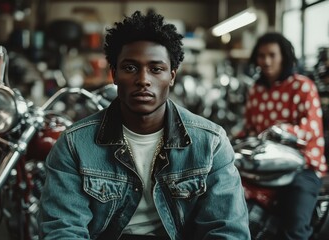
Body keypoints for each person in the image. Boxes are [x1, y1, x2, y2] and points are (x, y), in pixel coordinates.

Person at [39, 10, 250, 240]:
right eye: (130, 68)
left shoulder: (211, 143)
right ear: (114, 75)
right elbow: (63, 231)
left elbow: (227, 231)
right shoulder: (74, 144)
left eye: (156, 69)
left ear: (172, 75)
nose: (143, 80)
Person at [243, 32, 327, 239]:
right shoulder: (256, 90)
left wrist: (281, 132)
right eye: (261, 56)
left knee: (295, 228)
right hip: (264, 168)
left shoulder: (303, 86)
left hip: (302, 167)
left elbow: (310, 130)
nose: (266, 61)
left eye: (272, 55)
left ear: (284, 57)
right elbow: (250, 128)